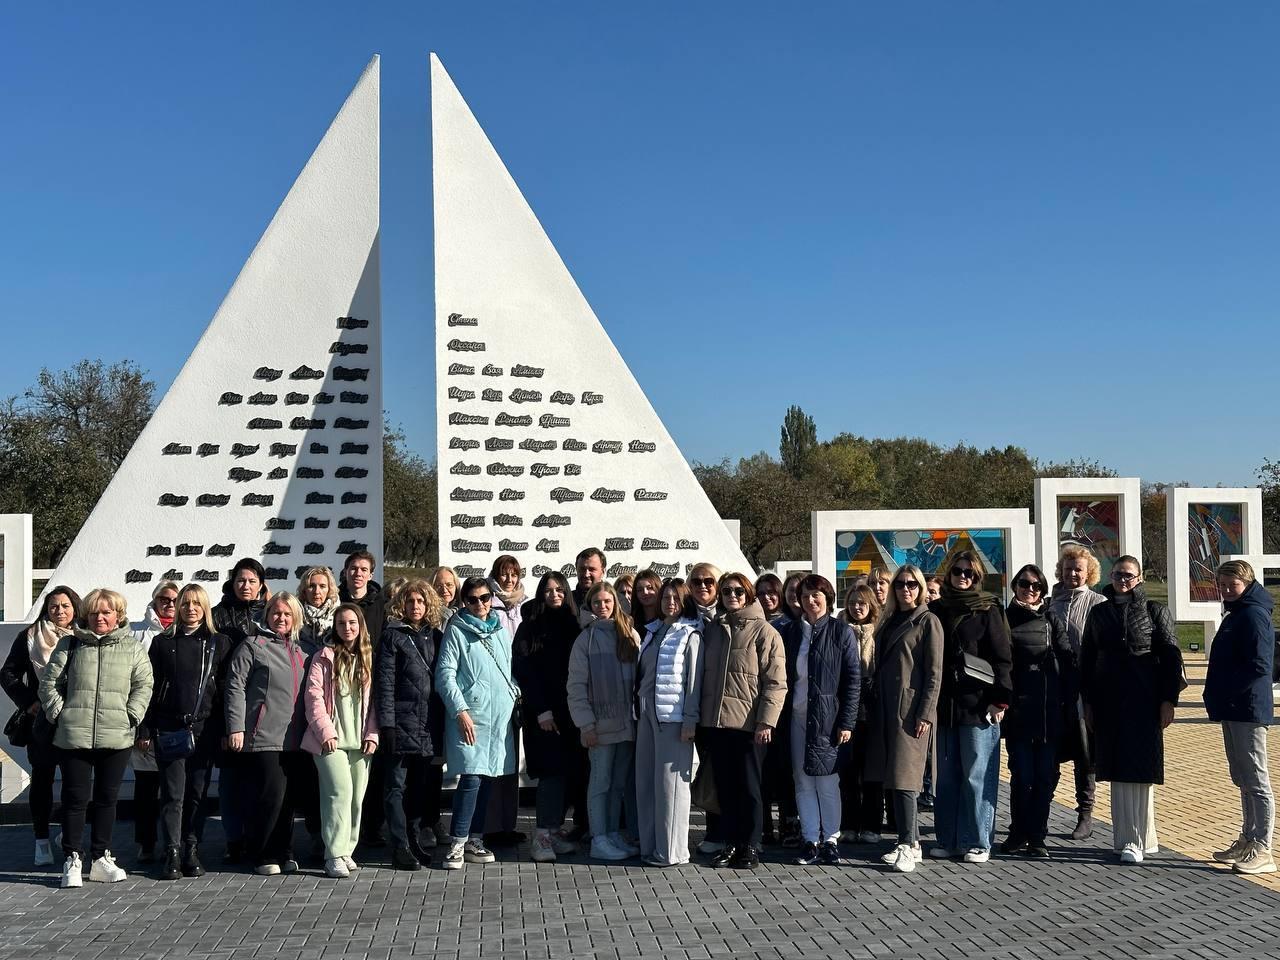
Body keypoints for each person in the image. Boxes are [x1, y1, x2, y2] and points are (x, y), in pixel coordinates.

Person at [40, 588, 154, 889]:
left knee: (107, 798)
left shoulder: (132, 648)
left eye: (106, 612)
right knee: (75, 799)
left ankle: (101, 857)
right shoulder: (70, 644)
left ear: (118, 615)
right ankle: (72, 859)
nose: (100, 617)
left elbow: (144, 684)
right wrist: (60, 714)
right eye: (94, 613)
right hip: (73, 735)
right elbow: (49, 682)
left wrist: (131, 716)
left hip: (116, 735)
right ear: (86, 616)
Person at [1080, 555, 1184, 864]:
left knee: (1140, 770)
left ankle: (1139, 839)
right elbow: (1087, 659)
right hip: (1108, 702)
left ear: (1138, 578)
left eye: (1128, 575)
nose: (1122, 580)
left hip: (1144, 702)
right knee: (1115, 769)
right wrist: (1087, 702)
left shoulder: (1156, 612)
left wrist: (1169, 701)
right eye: (1117, 574)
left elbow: (1170, 659)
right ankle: (1123, 838)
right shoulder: (1098, 613)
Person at [139, 583, 231, 880]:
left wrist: (227, 730)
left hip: (205, 729)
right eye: (185, 603)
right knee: (172, 794)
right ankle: (172, 851)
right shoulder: (163, 643)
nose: (190, 608)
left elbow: (225, 692)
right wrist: (145, 727)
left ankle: (192, 847)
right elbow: (150, 689)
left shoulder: (219, 643)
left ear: (205, 607)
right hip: (169, 727)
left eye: (196, 603)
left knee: (197, 794)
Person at [697, 572, 787, 870]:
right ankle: (732, 842)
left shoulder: (765, 632)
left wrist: (766, 722)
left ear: (748, 594)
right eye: (726, 591)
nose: (731, 595)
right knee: (726, 788)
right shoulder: (714, 630)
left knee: (750, 788)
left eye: (738, 590)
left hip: (749, 726)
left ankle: (751, 844)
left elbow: (776, 682)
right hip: (717, 724)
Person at [929, 551, 1013, 863]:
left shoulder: (988, 609)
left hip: (979, 706)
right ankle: (949, 840)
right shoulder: (936, 610)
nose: (963, 577)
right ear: (949, 574)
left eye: (970, 573)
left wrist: (1000, 700)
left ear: (977, 577)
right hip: (945, 706)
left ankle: (979, 841)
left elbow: (1003, 658)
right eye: (958, 572)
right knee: (947, 778)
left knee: (977, 775)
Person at [435, 577, 519, 870]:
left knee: (487, 778)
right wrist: (460, 710)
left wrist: (514, 691)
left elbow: (509, 669)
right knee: (470, 778)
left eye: (484, 598)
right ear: (464, 602)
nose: (480, 604)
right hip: (471, 717)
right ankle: (457, 843)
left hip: (499, 717)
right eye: (472, 599)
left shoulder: (498, 630)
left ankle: (475, 838)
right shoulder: (456, 631)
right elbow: (445, 674)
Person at [224, 592, 310, 876]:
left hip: (295, 739)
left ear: (295, 617)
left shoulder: (301, 652)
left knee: (288, 800)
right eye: (276, 613)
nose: (281, 618)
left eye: (287, 614)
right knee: (269, 797)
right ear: (267, 615)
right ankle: (263, 853)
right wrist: (236, 726)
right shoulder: (253, 646)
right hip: (263, 736)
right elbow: (234, 687)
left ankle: (285, 852)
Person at [865, 564, 943, 873]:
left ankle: (909, 843)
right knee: (893, 779)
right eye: (900, 584)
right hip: (885, 708)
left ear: (921, 587)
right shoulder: (889, 619)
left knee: (906, 779)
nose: (905, 589)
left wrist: (925, 713)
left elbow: (934, 674)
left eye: (911, 584)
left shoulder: (928, 621)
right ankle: (908, 842)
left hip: (909, 711)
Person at [2, 585, 81, 867]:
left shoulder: (83, 636)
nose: (59, 611)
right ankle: (41, 839)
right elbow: (8, 674)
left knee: (77, 783)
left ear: (75, 608)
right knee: (43, 781)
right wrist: (29, 702)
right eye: (53, 606)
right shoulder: (31, 637)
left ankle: (68, 836)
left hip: (77, 721)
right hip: (43, 723)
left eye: (65, 605)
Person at [1205, 560, 1276, 875]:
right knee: (1243, 778)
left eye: (1230, 584)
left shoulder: (1253, 615)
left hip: (1247, 708)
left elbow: (1260, 665)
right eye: (1221, 584)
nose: (1225, 589)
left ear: (1246, 583)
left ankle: (1264, 848)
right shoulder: (1236, 613)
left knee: (1257, 779)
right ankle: (1247, 839)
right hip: (1233, 708)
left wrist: (1230, 691)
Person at [1000, 565, 1073, 858]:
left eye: (1036, 586)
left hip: (1048, 711)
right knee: (1021, 775)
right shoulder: (1005, 618)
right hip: (1018, 709)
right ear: (1015, 585)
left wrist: (1068, 700)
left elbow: (1068, 660)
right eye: (1024, 584)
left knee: (1045, 776)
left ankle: (1038, 836)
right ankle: (1018, 832)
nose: (1030, 590)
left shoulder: (1051, 618)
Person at [787, 575, 859, 867]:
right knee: (802, 781)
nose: (811, 601)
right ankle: (810, 839)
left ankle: (830, 839)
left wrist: (847, 722)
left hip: (828, 719)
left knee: (828, 781)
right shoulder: (792, 632)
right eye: (805, 596)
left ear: (828, 598)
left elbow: (852, 680)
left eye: (816, 595)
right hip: (796, 716)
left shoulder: (841, 632)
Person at [304, 603, 380, 879]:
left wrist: (372, 734)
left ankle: (347, 849)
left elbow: (375, 704)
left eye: (352, 623)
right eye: (341, 624)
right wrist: (326, 732)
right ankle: (333, 854)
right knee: (338, 793)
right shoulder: (323, 657)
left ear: (360, 627)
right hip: (329, 741)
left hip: (360, 742)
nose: (347, 628)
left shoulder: (369, 658)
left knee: (357, 798)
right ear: (334, 628)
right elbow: (313, 698)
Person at [513, 572, 584, 862]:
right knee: (551, 775)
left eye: (559, 590)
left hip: (571, 714)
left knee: (567, 773)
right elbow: (524, 670)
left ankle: (554, 831)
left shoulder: (574, 623)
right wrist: (541, 709)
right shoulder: (530, 626)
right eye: (548, 590)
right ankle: (541, 836)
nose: (554, 595)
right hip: (543, 714)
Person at [567, 581, 641, 860]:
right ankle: (598, 838)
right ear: (590, 605)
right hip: (599, 726)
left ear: (616, 603)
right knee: (600, 782)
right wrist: (586, 725)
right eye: (597, 602)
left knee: (618, 784)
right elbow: (576, 686)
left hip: (627, 724)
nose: (603, 607)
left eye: (607, 601)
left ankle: (611, 834)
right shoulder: (585, 639)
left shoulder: (629, 634)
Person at [375, 579, 445, 871]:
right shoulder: (392, 637)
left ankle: (415, 840)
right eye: (410, 601)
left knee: (420, 788)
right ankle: (400, 846)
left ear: (428, 604)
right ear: (400, 604)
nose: (415, 606)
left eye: (420, 601)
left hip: (428, 726)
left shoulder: (436, 636)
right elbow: (385, 684)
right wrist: (387, 726)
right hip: (400, 724)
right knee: (395, 787)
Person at [634, 578, 703, 866]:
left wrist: (690, 720)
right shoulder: (653, 632)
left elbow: (694, 683)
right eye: (666, 597)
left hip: (674, 720)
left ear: (685, 601)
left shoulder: (691, 634)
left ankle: (672, 852)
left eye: (676, 598)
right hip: (647, 716)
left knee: (671, 788)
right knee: (647, 784)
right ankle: (650, 846)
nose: (670, 602)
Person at [211, 558, 269, 864]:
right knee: (231, 781)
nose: (245, 586)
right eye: (240, 580)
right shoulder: (217, 616)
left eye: (251, 580)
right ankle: (234, 839)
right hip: (227, 704)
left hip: (263, 708)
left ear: (261, 584)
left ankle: (258, 836)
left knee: (260, 779)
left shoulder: (270, 614)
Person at [1047, 544, 1107, 840]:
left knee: (1085, 756)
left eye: (1079, 569)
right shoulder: (1049, 603)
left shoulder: (1099, 603)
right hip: (1055, 691)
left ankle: (1085, 814)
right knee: (1051, 753)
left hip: (1085, 692)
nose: (1073, 573)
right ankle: (1040, 811)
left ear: (1089, 573)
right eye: (1068, 568)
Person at [129, 581, 178, 864]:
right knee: (146, 789)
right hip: (146, 719)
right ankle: (146, 843)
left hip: (176, 720)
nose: (169, 604)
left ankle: (174, 842)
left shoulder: (187, 631)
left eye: (174, 599)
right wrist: (140, 725)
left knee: (173, 789)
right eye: (164, 598)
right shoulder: (138, 633)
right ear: (154, 600)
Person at [484, 554, 525, 846]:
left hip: (518, 692)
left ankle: (508, 824)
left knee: (511, 763)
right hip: (494, 693)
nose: (508, 580)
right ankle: (490, 824)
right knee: (493, 760)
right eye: (503, 574)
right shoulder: (486, 605)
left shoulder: (525, 605)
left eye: (513, 574)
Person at [838, 583, 883, 844]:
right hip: (846, 706)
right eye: (853, 602)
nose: (857, 607)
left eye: (862, 603)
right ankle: (849, 824)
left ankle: (872, 825)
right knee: (848, 771)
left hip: (872, 708)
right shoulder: (840, 629)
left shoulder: (879, 631)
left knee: (872, 771)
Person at [339, 551, 386, 648]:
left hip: (372, 660)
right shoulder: (334, 601)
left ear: (370, 575)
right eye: (353, 568)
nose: (358, 574)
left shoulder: (382, 604)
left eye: (364, 570)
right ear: (345, 572)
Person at [298, 566, 340, 648]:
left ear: (329, 589)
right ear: (304, 590)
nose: (316, 591)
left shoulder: (340, 614)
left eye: (322, 586)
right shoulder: (295, 614)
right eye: (311, 586)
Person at [573, 547, 607, 624]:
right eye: (582, 569)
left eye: (592, 569)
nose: (586, 574)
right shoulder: (567, 601)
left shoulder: (617, 601)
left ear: (603, 571)